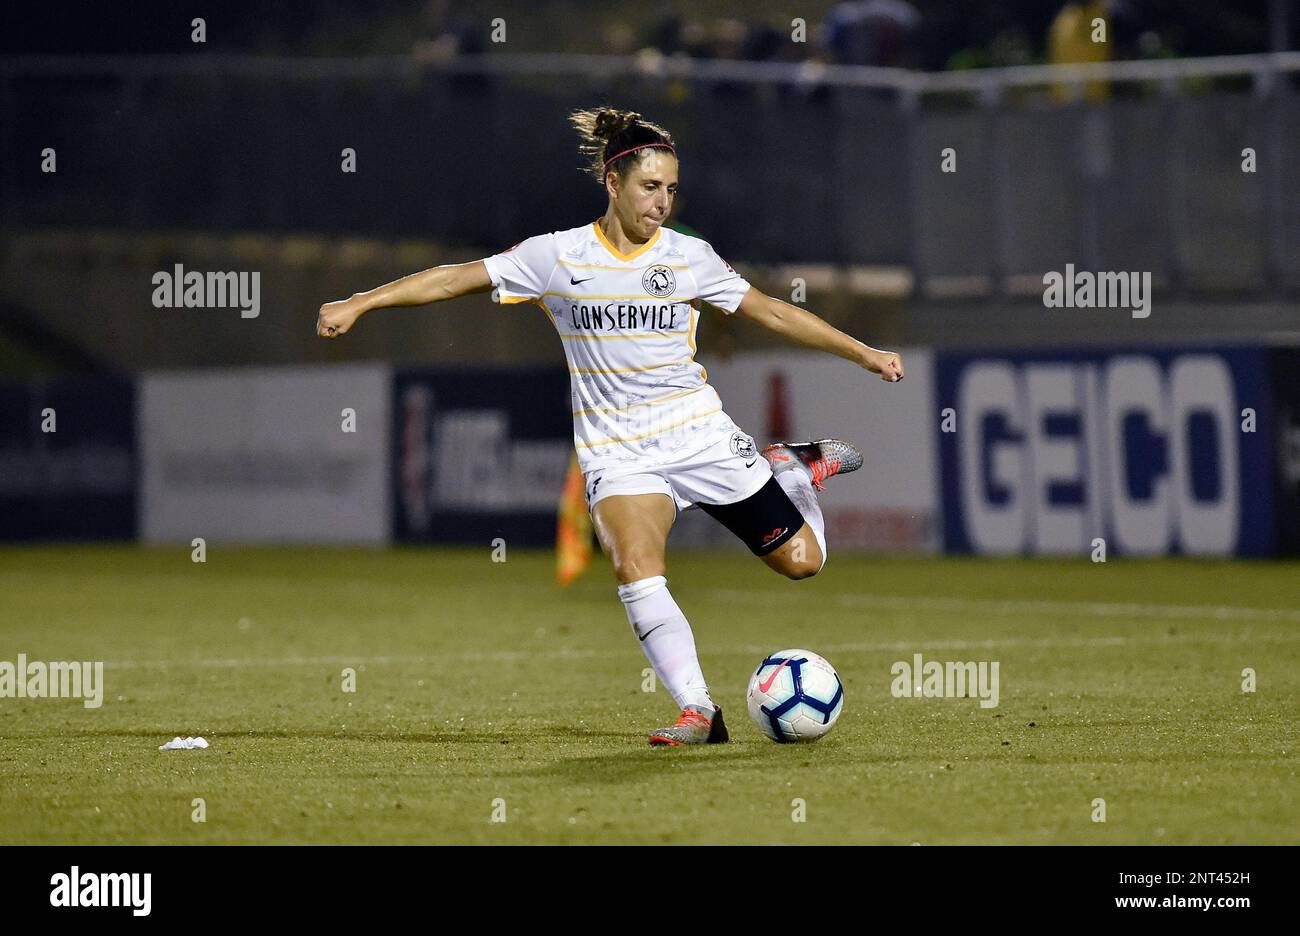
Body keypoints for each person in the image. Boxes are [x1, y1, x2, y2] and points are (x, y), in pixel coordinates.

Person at [316, 108, 904, 745]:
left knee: (802, 563)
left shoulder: (688, 257)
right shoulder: (556, 256)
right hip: (617, 450)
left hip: (698, 435)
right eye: (651, 188)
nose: (663, 202)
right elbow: (458, 278)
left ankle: (791, 469)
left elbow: (773, 314)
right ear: (613, 182)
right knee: (634, 563)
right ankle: (699, 712)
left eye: (672, 189)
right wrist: (362, 301)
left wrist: (864, 352)